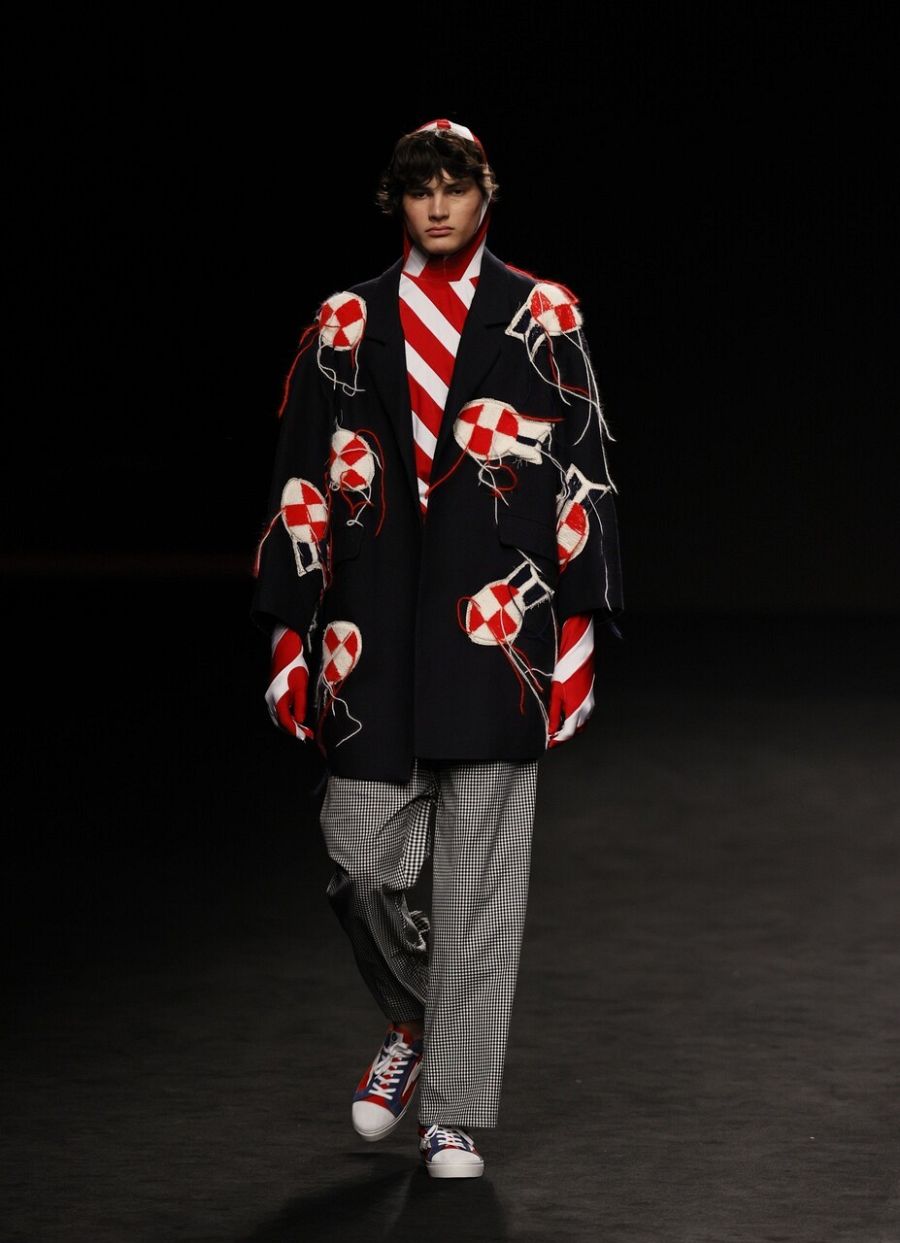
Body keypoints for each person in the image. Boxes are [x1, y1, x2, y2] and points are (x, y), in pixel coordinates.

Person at [249, 118, 623, 1179]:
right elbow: (300, 477)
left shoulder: (543, 314)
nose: (440, 206)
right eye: (422, 190)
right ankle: (417, 1023)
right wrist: (286, 633)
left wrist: (579, 634)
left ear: (484, 194)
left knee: (480, 886)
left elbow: (584, 471)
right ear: (399, 202)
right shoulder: (345, 320)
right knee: (359, 860)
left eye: (457, 187)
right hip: (369, 632)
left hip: (498, 629)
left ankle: (452, 1112)